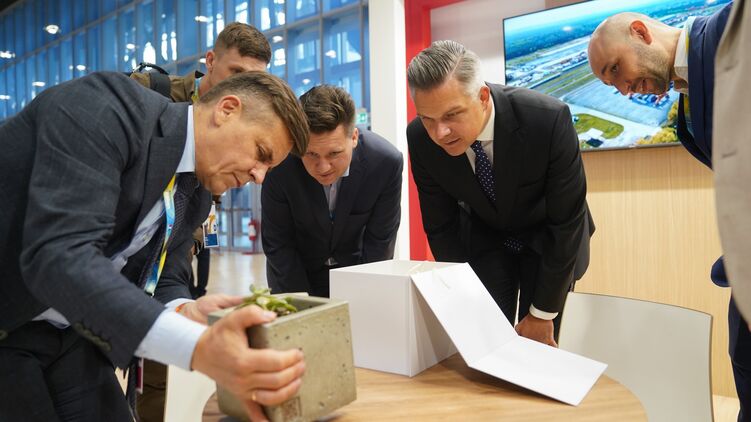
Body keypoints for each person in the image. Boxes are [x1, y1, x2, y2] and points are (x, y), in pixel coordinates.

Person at [0, 70, 309, 422]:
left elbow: (165, 276)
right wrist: (198, 348)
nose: (260, 176)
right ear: (226, 110)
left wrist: (183, 310)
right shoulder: (105, 108)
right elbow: (61, 256)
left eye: (269, 167)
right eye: (261, 153)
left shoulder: (197, 194)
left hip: (72, 329)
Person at [587, 5, 750, 420]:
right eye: (611, 84)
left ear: (640, 32)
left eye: (616, 68)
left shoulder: (732, 31)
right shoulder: (686, 97)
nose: (624, 90)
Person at [406, 40, 594, 347]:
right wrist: (464, 295)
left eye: (452, 115)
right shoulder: (419, 138)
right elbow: (441, 226)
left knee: (540, 345)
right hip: (486, 236)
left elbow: (566, 222)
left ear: (482, 97)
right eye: (428, 119)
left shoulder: (546, 119)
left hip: (548, 239)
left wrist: (542, 314)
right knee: (485, 339)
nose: (440, 133)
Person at [130, 22, 271, 421]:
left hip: (176, 248)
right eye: (235, 73)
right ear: (210, 60)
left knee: (161, 358)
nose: (241, 89)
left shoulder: (242, 127)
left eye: (254, 81)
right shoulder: (153, 94)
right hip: (122, 249)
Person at [262, 85, 403, 297]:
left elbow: (380, 241)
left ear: (354, 137)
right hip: (294, 275)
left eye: (334, 153)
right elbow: (278, 243)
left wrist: (364, 294)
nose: (323, 167)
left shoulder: (384, 163)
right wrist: (305, 305)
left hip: (357, 270)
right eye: (311, 154)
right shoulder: (279, 164)